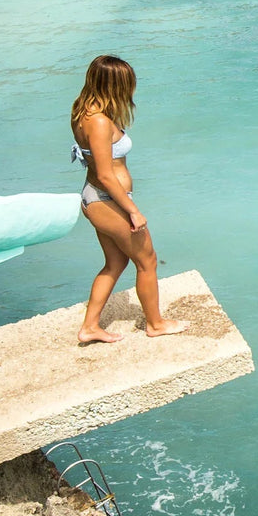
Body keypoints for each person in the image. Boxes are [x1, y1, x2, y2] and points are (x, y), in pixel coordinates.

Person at [70, 55, 186, 343]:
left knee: (115, 262)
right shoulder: (99, 122)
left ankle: (90, 327)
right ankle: (155, 324)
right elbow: (106, 174)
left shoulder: (82, 110)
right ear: (114, 85)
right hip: (107, 199)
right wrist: (133, 210)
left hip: (97, 197)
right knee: (147, 260)